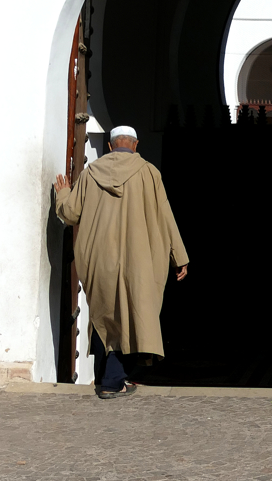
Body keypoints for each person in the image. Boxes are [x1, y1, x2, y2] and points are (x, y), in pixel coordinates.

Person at [54, 125, 189, 399]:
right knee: (132, 315)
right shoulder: (150, 173)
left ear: (111, 146)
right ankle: (112, 382)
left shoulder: (90, 173)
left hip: (99, 259)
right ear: (136, 144)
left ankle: (112, 376)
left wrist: (63, 193)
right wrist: (179, 256)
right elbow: (166, 217)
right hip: (137, 262)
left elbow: (70, 213)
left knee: (105, 316)